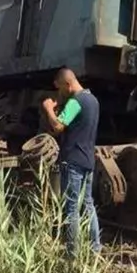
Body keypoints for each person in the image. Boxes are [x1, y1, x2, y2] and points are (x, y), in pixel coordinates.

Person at [41, 67, 100, 256]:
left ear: (68, 84)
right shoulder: (93, 100)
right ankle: (95, 248)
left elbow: (58, 126)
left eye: (60, 88)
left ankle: (72, 251)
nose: (59, 92)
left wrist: (49, 109)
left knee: (72, 207)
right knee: (88, 204)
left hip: (73, 159)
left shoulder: (76, 102)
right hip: (88, 159)